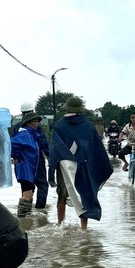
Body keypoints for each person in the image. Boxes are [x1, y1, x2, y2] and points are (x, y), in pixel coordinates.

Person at [48, 96, 113, 230]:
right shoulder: (89, 126)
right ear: (80, 110)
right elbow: (96, 148)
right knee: (85, 194)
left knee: (61, 194)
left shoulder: (59, 125)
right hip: (84, 166)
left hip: (64, 167)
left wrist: (51, 169)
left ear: (67, 108)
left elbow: (54, 148)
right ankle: (84, 229)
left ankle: (60, 224)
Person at [17, 102, 50, 209]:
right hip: (36, 161)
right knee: (42, 184)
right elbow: (43, 143)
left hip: (21, 162)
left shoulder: (17, 127)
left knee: (27, 188)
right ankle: (40, 212)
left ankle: (26, 216)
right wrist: (50, 158)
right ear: (33, 111)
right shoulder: (36, 127)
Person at [10, 109, 41, 217]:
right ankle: (23, 219)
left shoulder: (31, 135)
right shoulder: (24, 134)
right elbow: (11, 145)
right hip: (24, 168)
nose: (37, 123)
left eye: (38, 121)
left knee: (30, 191)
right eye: (34, 121)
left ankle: (27, 218)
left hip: (30, 169)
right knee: (27, 193)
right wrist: (18, 156)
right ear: (28, 123)